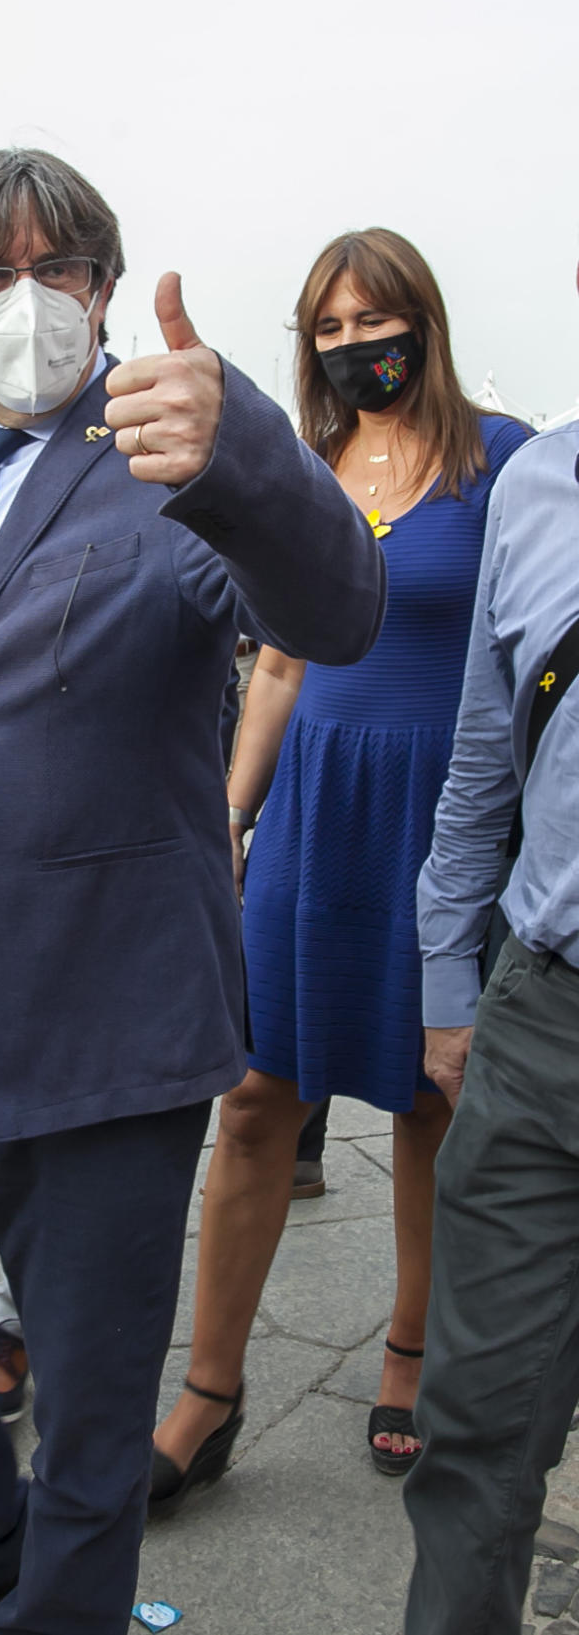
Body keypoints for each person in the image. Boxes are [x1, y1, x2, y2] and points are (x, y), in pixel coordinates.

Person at [0, 147, 384, 1635]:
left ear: (106, 286)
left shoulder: (171, 467)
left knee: (95, 1419)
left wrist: (245, 442)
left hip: (104, 1014)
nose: (29, 300)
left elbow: (336, 611)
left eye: (61, 268)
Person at [150, 227, 531, 1512]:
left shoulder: (504, 460)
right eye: (326, 325)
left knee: (431, 1099)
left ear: (421, 317)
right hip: (314, 811)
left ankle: (412, 1352)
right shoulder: (302, 469)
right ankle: (208, 1390)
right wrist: (228, 814)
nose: (354, 342)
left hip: (445, 809)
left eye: (374, 317)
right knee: (255, 1099)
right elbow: (279, 661)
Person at [399, 270, 579, 1634]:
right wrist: (451, 986)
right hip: (541, 1019)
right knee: (473, 1428)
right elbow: (479, 763)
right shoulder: (539, 484)